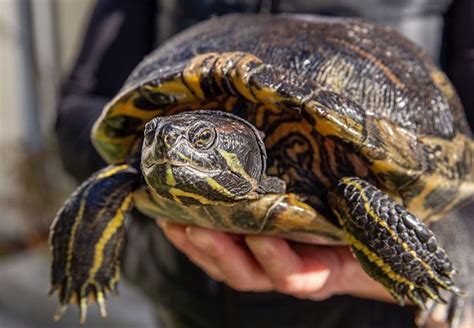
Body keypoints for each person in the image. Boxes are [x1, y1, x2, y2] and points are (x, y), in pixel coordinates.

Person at [55, 0, 474, 327]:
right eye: (156, 137)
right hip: (186, 297)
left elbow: (454, 171)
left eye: (201, 141)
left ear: (247, 147)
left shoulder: (340, 175)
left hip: (373, 316)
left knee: (357, 195)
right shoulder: (154, 157)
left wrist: (449, 273)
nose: (166, 144)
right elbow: (81, 105)